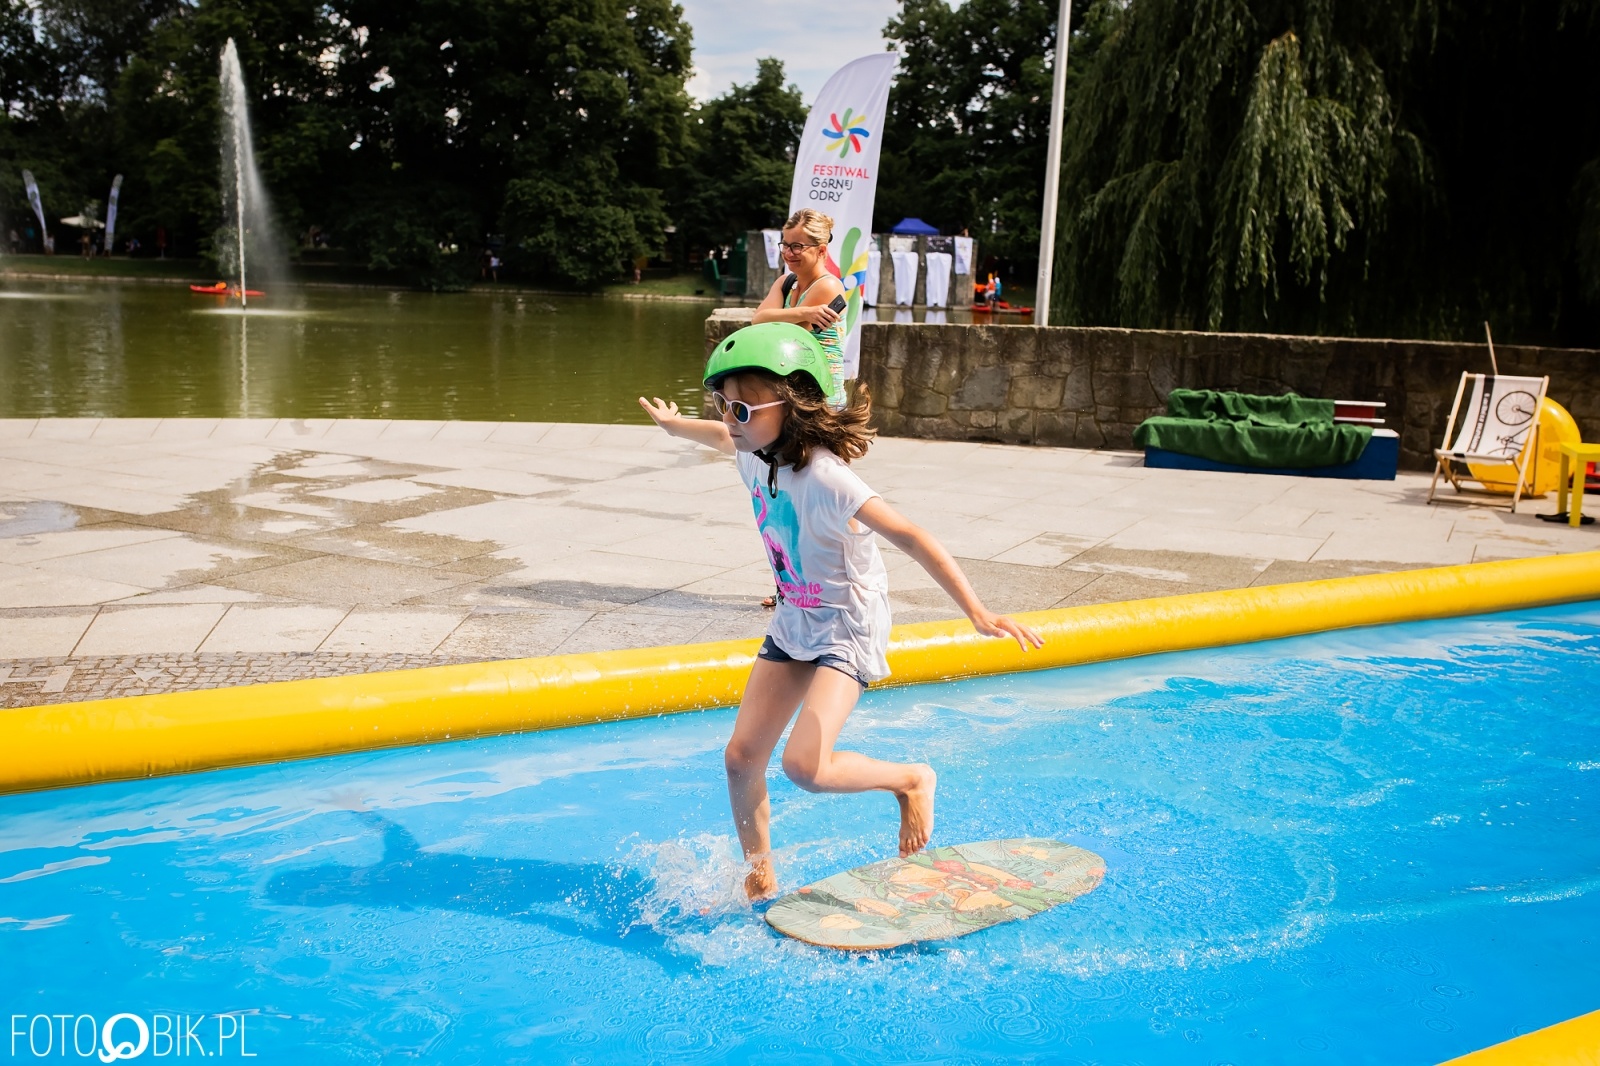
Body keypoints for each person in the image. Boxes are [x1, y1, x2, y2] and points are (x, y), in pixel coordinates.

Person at [637, 323, 1043, 900]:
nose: (731, 419)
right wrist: (675, 425)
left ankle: (910, 779)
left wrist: (977, 613)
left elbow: (911, 535)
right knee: (741, 757)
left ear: (794, 403)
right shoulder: (754, 450)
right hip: (797, 616)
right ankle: (759, 881)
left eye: (745, 409)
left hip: (846, 624)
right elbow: (722, 438)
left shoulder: (827, 477)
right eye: (724, 404)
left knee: (806, 766)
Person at [753, 208, 848, 410]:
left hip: (822, 398)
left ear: (821, 251)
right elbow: (758, 321)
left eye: (797, 247)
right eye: (785, 245)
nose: (788, 253)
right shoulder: (785, 282)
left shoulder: (828, 286)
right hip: (793, 394)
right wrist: (805, 312)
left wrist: (782, 317)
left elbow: (790, 335)